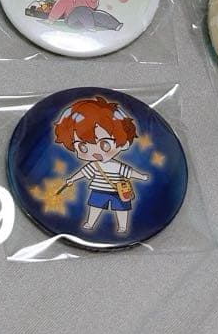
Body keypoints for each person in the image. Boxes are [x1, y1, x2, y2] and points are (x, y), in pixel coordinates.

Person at [54, 95, 148, 234]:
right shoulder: (94, 166)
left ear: (124, 143)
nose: (94, 152)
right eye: (82, 147)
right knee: (95, 207)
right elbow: (83, 172)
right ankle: (90, 223)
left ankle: (122, 226)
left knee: (121, 209)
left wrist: (141, 176)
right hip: (98, 190)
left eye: (104, 144)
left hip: (118, 191)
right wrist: (72, 179)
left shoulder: (116, 165)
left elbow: (128, 171)